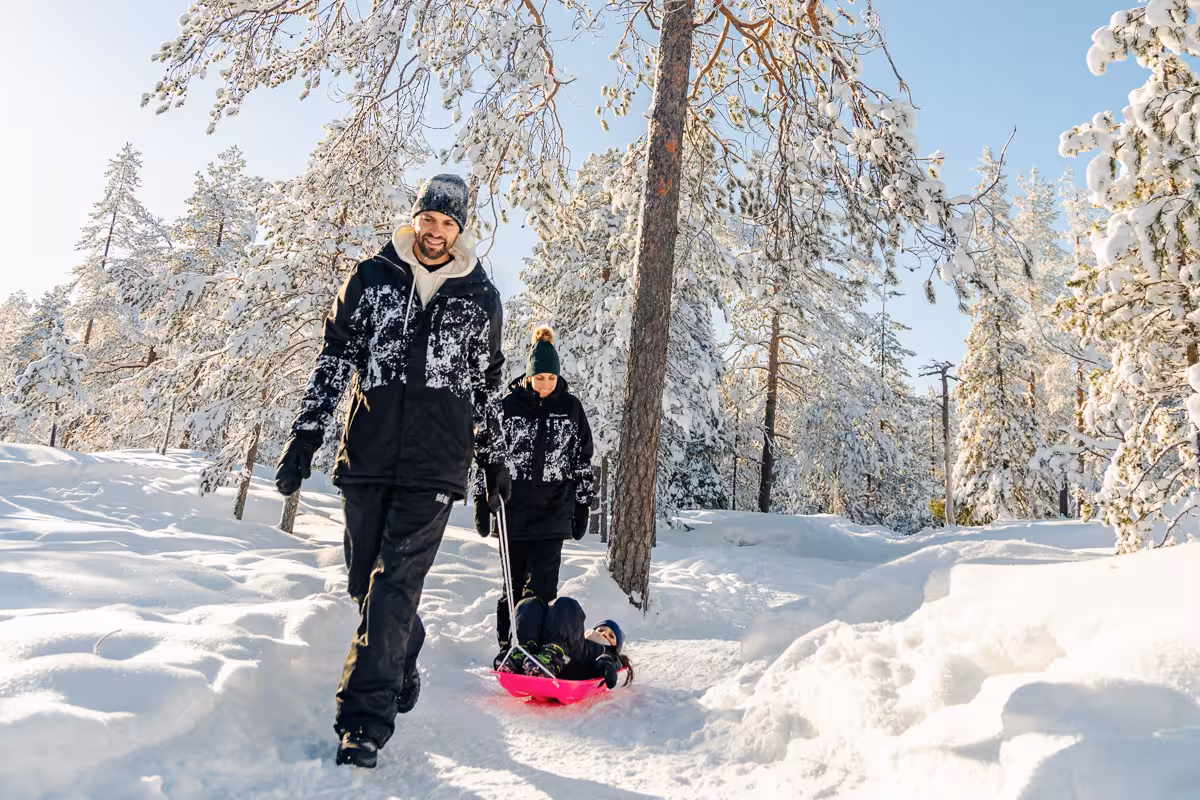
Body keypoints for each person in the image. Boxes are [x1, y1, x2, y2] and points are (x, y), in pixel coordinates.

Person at [274, 174, 510, 769]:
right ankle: (403, 655)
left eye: (447, 223)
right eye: (427, 219)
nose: (435, 231)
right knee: (364, 582)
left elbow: (485, 385)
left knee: (394, 583)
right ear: (416, 220)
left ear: (461, 230)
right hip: (369, 454)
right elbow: (336, 356)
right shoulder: (372, 276)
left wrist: (492, 463)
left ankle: (363, 724)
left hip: (437, 462)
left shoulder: (480, 295)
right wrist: (308, 430)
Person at [473, 325, 595, 653]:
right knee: (511, 586)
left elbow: (582, 459)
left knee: (542, 588)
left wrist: (583, 504)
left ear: (558, 377)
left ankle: (534, 650)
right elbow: (486, 454)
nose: (544, 384)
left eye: (550, 378)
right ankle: (507, 646)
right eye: (539, 378)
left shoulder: (571, 409)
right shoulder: (508, 406)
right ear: (529, 375)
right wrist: (481, 499)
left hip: (553, 512)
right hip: (512, 510)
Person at [497, 595, 633, 689]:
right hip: (542, 654)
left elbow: (612, 662)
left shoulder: (607, 653)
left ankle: (551, 658)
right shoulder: (581, 638)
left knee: (567, 605)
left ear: (615, 646)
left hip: (574, 664)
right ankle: (521, 653)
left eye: (611, 636)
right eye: (602, 629)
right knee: (530, 604)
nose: (604, 634)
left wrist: (607, 665)